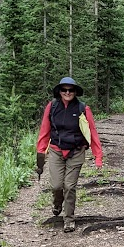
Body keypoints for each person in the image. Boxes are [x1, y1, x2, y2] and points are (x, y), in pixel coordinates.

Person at [36, 76, 103, 233]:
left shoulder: (82, 109)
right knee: (57, 185)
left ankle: (69, 219)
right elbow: (44, 131)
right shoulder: (52, 107)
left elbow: (92, 132)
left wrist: (98, 156)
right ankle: (57, 203)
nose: (67, 92)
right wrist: (40, 153)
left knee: (70, 186)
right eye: (64, 90)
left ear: (75, 92)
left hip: (76, 151)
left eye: (70, 90)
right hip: (56, 150)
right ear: (59, 91)